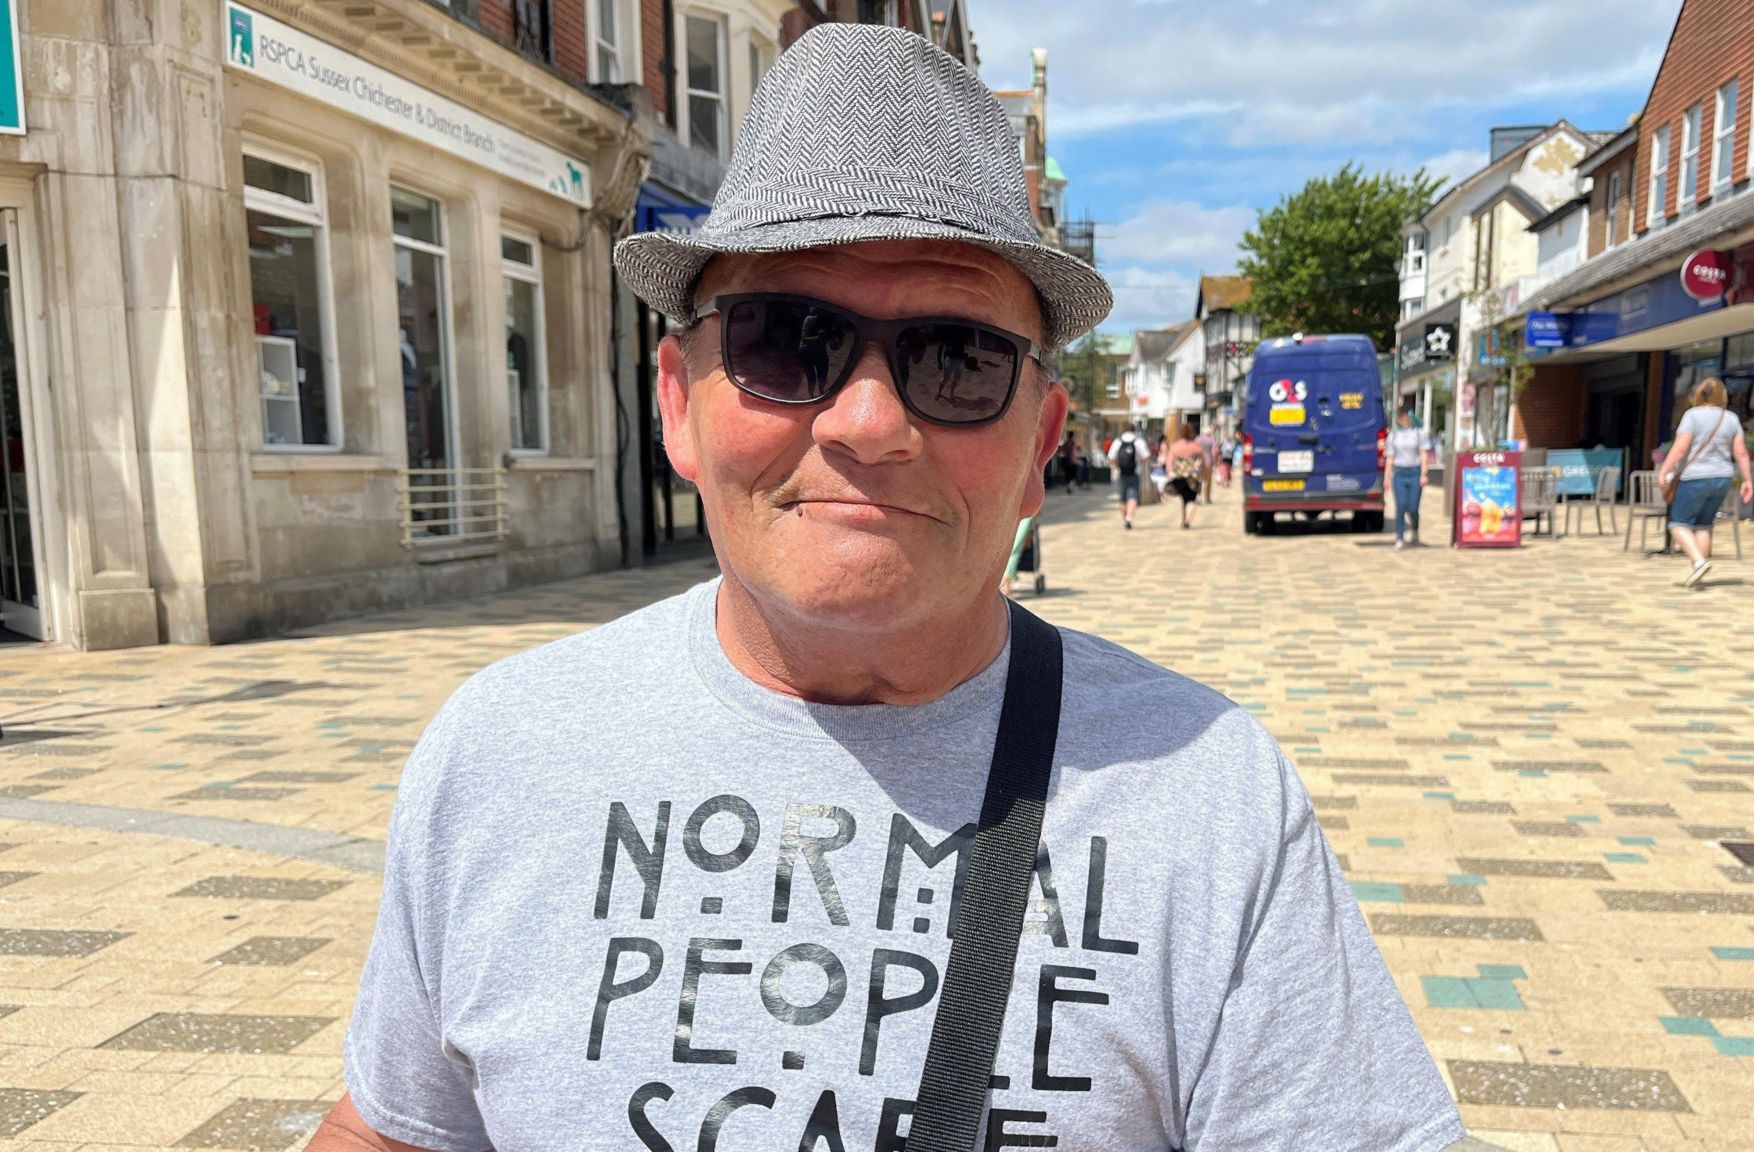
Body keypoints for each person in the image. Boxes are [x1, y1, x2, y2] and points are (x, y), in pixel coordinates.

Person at [316, 25, 1465, 1152]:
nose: (867, 424)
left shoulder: (1203, 795)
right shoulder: (502, 751)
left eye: (954, 359)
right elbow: (394, 1127)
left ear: (1037, 445)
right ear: (676, 403)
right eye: (784, 340)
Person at [1659, 377, 1754, 588]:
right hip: (1722, 477)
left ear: (1698, 394)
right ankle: (1698, 569)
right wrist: (1747, 479)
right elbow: (1741, 452)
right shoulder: (1731, 418)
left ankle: (1699, 561)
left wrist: (1664, 469)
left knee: (1678, 523)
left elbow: (1681, 447)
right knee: (1703, 524)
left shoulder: (1692, 416)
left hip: (1695, 476)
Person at [1384, 406, 1432, 550]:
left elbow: (1423, 454)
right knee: (1401, 506)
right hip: (1399, 473)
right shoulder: (1393, 435)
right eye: (1400, 416)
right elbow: (1390, 457)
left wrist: (1424, 474)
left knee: (1412, 507)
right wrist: (1387, 477)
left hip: (1414, 472)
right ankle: (1399, 537)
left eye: (1404, 416)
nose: (1402, 419)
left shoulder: (1419, 433)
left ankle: (1415, 529)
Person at [1165, 424, 1205, 528]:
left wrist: (1169, 473)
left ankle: (1184, 520)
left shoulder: (1175, 446)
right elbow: (1202, 460)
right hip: (1192, 476)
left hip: (1179, 476)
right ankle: (1187, 520)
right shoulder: (1195, 446)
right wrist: (1202, 473)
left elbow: (1169, 461)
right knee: (1191, 499)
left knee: (1183, 498)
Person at [1112, 424, 1148, 529]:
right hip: (1134, 473)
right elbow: (1146, 457)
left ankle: (1126, 519)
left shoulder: (1118, 441)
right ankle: (1129, 518)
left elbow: (1111, 457)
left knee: (1122, 499)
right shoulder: (1138, 441)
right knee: (1132, 496)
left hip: (1122, 473)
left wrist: (1116, 466)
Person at [1196, 424, 1218, 504]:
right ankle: (1206, 498)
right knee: (1207, 480)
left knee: (1200, 479)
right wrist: (1215, 463)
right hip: (1208, 461)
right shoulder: (1212, 440)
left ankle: (1199, 497)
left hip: (1199, 461)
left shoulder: (1197, 439)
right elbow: (1214, 452)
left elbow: (1195, 450)